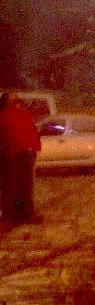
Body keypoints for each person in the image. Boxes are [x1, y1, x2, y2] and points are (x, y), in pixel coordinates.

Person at [0, 92, 43, 224]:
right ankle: (27, 214)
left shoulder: (4, 114)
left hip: (12, 153)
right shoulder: (22, 112)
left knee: (10, 186)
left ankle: (11, 216)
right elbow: (32, 130)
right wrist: (35, 148)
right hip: (27, 152)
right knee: (26, 186)